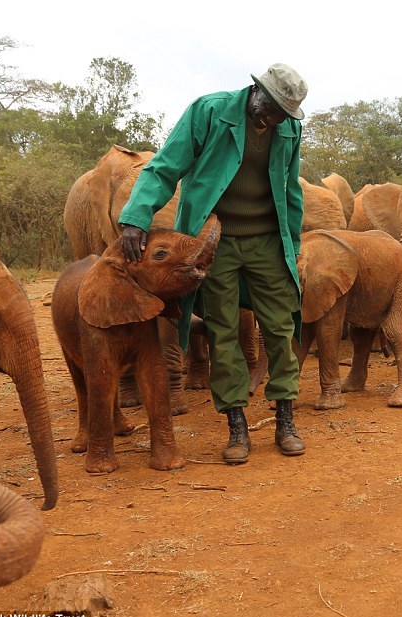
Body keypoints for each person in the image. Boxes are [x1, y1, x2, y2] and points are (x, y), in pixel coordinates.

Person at [118, 63, 308, 464]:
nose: (271, 119)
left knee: (280, 327)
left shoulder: (289, 128)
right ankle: (236, 426)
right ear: (255, 90)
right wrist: (136, 216)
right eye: (268, 108)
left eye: (281, 115)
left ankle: (285, 420)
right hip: (213, 243)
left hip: (268, 242)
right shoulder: (209, 111)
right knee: (223, 333)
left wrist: (293, 247)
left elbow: (291, 190)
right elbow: (165, 166)